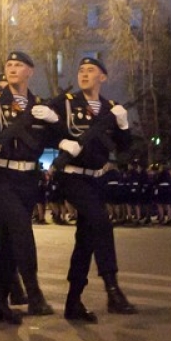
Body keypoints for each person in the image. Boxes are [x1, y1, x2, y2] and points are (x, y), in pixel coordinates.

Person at [48, 57, 137, 322]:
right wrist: (63, 142)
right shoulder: (64, 103)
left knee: (86, 241)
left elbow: (124, 149)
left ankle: (73, 303)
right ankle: (112, 289)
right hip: (73, 177)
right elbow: (44, 129)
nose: (84, 74)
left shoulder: (111, 108)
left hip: (97, 179)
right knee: (101, 222)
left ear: (103, 77)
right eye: (81, 70)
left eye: (91, 71)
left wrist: (123, 126)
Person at [0, 51, 58, 323]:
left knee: (5, 241)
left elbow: (54, 138)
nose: (11, 68)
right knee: (21, 231)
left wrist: (54, 123)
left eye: (18, 65)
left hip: (27, 180)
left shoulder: (39, 105)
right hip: (0, 177)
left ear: (30, 72)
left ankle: (0, 302)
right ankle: (34, 293)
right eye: (8, 64)